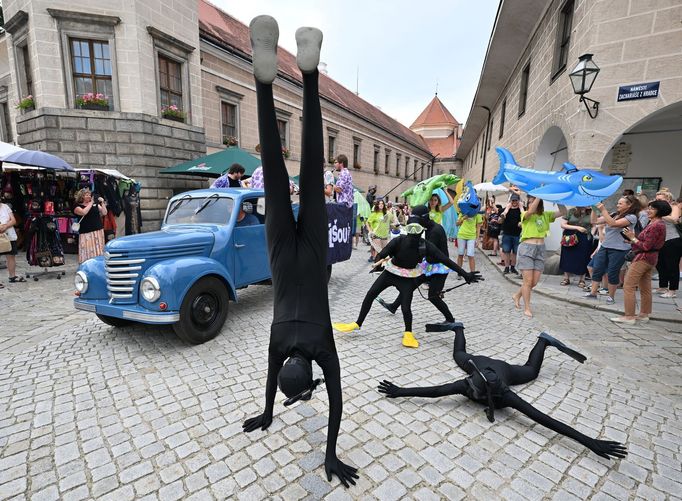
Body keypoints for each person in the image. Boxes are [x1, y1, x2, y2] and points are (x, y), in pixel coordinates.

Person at [242, 17, 358, 488]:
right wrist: (267, 411)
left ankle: (309, 76)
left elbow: (337, 403)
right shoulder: (276, 346)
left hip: (310, 255)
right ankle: (263, 85)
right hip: (278, 256)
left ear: (306, 376)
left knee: (311, 170)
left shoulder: (321, 349)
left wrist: (330, 454)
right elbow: (270, 383)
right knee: (272, 168)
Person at [378, 324, 627, 461]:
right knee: (524, 370)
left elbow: (544, 420)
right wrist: (399, 391)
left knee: (528, 371)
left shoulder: (504, 395)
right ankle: (538, 340)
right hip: (483, 363)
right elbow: (433, 392)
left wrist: (590, 442)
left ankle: (461, 330)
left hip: (495, 367)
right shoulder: (468, 384)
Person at [332, 222, 482, 348]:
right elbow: (383, 253)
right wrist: (380, 258)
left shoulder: (419, 244)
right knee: (375, 296)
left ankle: (408, 333)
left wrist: (465, 274)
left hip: (407, 277)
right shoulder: (409, 242)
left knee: (403, 306)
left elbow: (445, 260)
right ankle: (359, 323)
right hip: (391, 273)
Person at [377, 205, 458, 327]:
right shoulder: (428, 228)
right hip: (429, 265)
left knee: (433, 296)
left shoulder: (435, 231)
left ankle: (450, 320)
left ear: (423, 218)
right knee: (410, 285)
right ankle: (394, 306)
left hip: (439, 268)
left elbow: (431, 254)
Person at [610, 200, 671, 324]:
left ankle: (629, 316)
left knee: (628, 285)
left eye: (652, 209)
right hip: (650, 258)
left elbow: (646, 246)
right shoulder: (656, 223)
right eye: (649, 208)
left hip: (643, 258)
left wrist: (633, 238)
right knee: (645, 287)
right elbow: (647, 243)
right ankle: (643, 314)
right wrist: (632, 240)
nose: (649, 210)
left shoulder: (656, 225)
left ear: (659, 211)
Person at [512, 192, 567, 317]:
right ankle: (527, 307)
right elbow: (531, 211)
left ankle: (517, 295)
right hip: (527, 248)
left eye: (534, 201)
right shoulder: (525, 215)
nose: (532, 204)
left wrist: (557, 197)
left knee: (534, 282)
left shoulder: (545, 215)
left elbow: (563, 212)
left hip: (540, 249)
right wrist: (539, 194)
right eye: (530, 202)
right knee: (528, 281)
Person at [584, 196, 641, 303]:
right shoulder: (614, 214)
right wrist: (594, 209)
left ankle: (611, 296)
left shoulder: (632, 217)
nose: (617, 205)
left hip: (619, 249)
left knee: (612, 272)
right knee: (597, 269)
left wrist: (603, 210)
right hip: (605, 246)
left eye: (620, 203)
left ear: (629, 205)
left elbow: (613, 224)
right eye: (618, 203)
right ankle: (593, 293)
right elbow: (594, 221)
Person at [653, 191, 681, 298]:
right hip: (660, 240)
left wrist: (660, 214)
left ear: (668, 199)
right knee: (660, 264)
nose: (658, 201)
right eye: (656, 199)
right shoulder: (656, 209)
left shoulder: (674, 207)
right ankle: (662, 286)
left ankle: (672, 290)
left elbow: (674, 219)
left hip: (673, 239)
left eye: (660, 199)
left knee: (672, 265)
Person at [559, 207, 592, 288]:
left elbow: (595, 224)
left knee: (583, 257)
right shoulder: (571, 211)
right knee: (567, 256)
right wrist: (577, 227)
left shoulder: (593, 211)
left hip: (585, 236)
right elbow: (563, 224)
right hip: (569, 236)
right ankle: (566, 278)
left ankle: (582, 279)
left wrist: (592, 234)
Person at [74, 188, 108, 264]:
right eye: (86, 195)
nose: (89, 196)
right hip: (86, 232)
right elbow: (83, 212)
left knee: (98, 249)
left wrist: (102, 203)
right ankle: (86, 265)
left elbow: (104, 213)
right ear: (82, 196)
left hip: (97, 231)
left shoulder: (95, 205)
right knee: (87, 250)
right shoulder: (77, 206)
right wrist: (91, 203)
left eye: (89, 195)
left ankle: (98, 263)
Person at [0, 201, 25, 286]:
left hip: (9, 235)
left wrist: (5, 226)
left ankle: (12, 276)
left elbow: (13, 220)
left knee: (11, 256)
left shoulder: (5, 207)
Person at [499, 193, 522, 275]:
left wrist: (521, 207)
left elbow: (525, 217)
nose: (514, 202)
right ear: (510, 200)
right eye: (513, 200)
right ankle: (506, 267)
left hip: (517, 234)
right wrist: (504, 214)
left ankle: (513, 267)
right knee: (506, 251)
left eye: (516, 200)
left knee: (515, 252)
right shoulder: (505, 209)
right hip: (507, 233)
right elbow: (499, 221)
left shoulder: (521, 209)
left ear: (518, 201)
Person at [456, 210, 483, 274]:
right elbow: (457, 223)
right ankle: (459, 272)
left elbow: (478, 227)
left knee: (470, 255)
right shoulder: (463, 211)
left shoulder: (477, 213)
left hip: (471, 236)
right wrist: (463, 218)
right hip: (462, 235)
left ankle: (472, 274)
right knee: (460, 254)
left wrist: (478, 239)